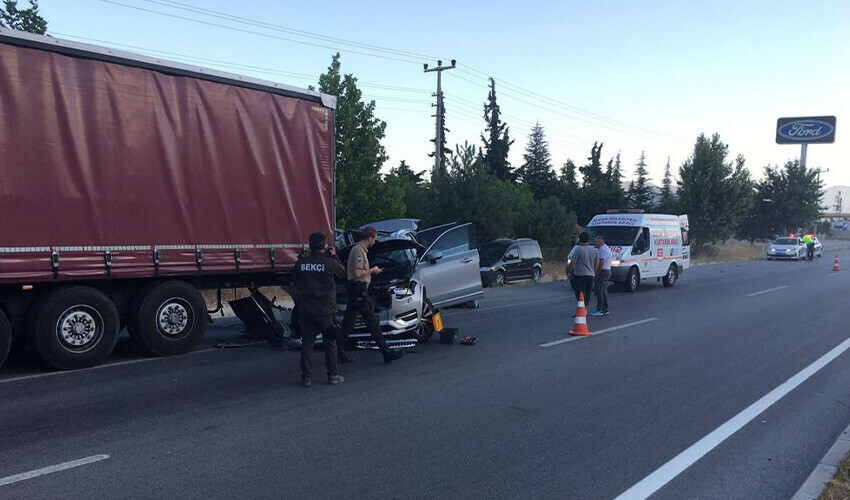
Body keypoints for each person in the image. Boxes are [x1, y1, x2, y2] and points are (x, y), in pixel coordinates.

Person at [337, 227, 405, 364]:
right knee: (372, 322)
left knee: (348, 323)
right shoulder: (358, 251)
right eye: (374, 238)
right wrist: (372, 270)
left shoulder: (360, 250)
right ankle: (386, 352)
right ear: (370, 238)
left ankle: (337, 351)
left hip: (357, 291)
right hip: (358, 291)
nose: (375, 241)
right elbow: (357, 273)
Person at [293, 232, 347, 387]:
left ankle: (306, 378)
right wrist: (334, 256)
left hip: (306, 310)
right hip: (325, 311)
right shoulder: (329, 262)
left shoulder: (301, 263)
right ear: (324, 246)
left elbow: (295, 279)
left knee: (307, 345)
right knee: (330, 342)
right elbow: (343, 274)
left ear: (310, 246)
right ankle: (333, 375)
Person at [566, 232, 598, 313]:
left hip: (579, 274)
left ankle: (581, 310)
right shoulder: (593, 249)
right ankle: (585, 309)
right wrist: (594, 272)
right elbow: (596, 262)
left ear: (579, 239)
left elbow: (572, 262)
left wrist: (568, 272)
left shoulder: (578, 249)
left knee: (579, 293)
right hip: (590, 274)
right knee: (587, 293)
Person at [591, 235, 613, 316]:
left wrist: (597, 271)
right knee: (604, 290)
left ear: (600, 241)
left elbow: (601, 262)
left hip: (603, 271)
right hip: (607, 270)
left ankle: (599, 309)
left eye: (596, 241)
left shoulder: (602, 249)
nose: (595, 243)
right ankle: (605, 309)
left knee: (599, 291)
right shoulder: (607, 248)